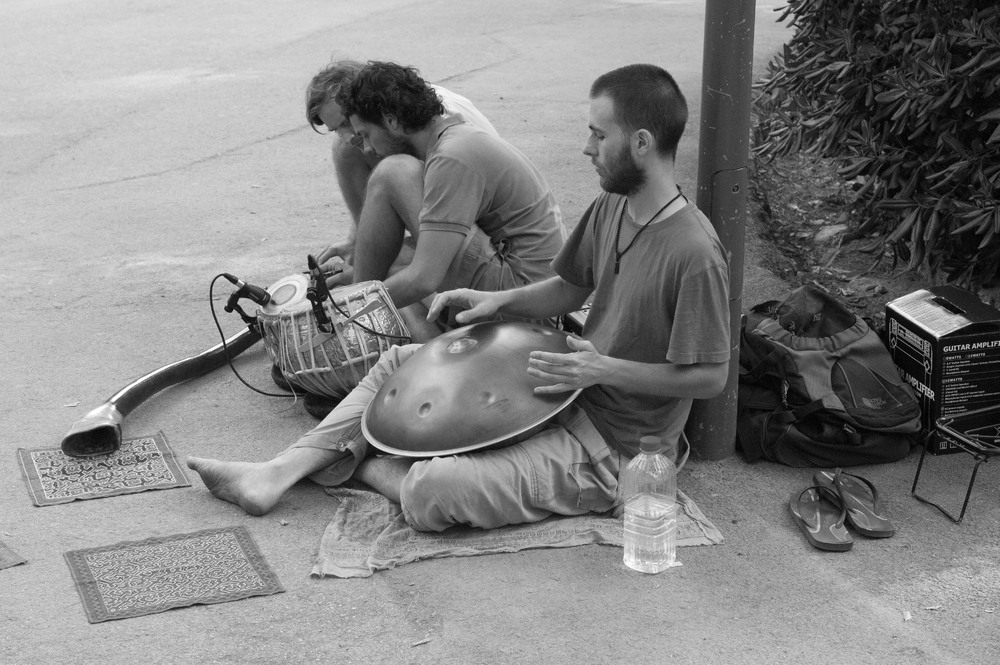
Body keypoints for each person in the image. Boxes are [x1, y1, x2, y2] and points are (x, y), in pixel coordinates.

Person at [187, 64, 731, 532]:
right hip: (562, 386)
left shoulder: (694, 253)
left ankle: (353, 463)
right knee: (399, 363)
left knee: (434, 489)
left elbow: (709, 378)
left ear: (641, 143)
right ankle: (274, 474)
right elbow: (569, 288)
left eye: (598, 135)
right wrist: (499, 303)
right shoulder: (614, 204)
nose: (587, 148)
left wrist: (603, 368)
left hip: (615, 450)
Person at [314, 61, 566, 338]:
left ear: (391, 121)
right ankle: (420, 338)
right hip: (522, 285)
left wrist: (348, 309)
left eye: (366, 135)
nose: (366, 148)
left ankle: (353, 316)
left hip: (524, 300)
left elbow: (424, 279)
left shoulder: (451, 157)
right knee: (390, 269)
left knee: (393, 173)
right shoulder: (451, 137)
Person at [305, 60, 500, 275]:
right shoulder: (406, 112)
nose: (347, 136)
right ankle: (364, 247)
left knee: (393, 173)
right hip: (460, 226)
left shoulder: (441, 134)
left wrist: (365, 283)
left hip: (490, 247)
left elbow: (427, 275)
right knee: (347, 150)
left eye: (346, 122)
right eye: (336, 129)